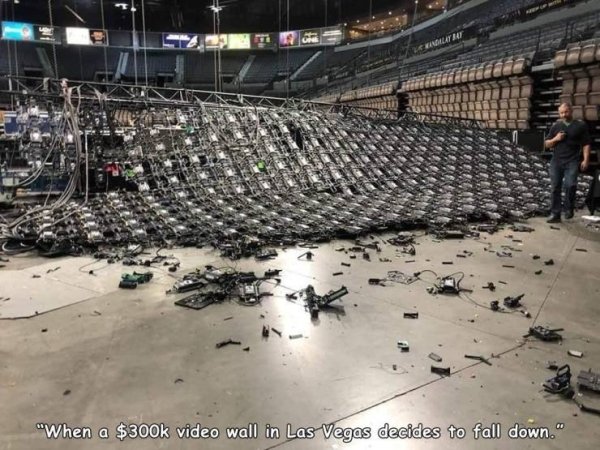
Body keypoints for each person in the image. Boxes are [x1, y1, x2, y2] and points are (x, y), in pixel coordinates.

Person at [543, 103, 591, 222]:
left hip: (572, 161)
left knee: (571, 185)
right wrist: (556, 139)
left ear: (571, 111)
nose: (564, 115)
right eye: (561, 113)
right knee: (555, 187)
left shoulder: (580, 125)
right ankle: (555, 214)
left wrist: (586, 159)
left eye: (566, 112)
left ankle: (569, 208)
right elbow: (547, 144)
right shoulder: (556, 126)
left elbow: (586, 144)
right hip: (556, 161)